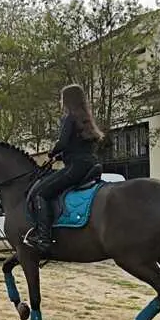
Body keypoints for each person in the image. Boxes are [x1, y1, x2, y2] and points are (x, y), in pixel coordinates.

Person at [23, 84, 104, 255]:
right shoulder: (86, 119)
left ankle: (44, 239)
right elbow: (77, 147)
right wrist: (61, 156)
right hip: (89, 164)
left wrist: (52, 153)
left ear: (68, 100)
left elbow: (63, 143)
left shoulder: (70, 118)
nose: (60, 102)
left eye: (62, 99)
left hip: (76, 167)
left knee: (41, 193)